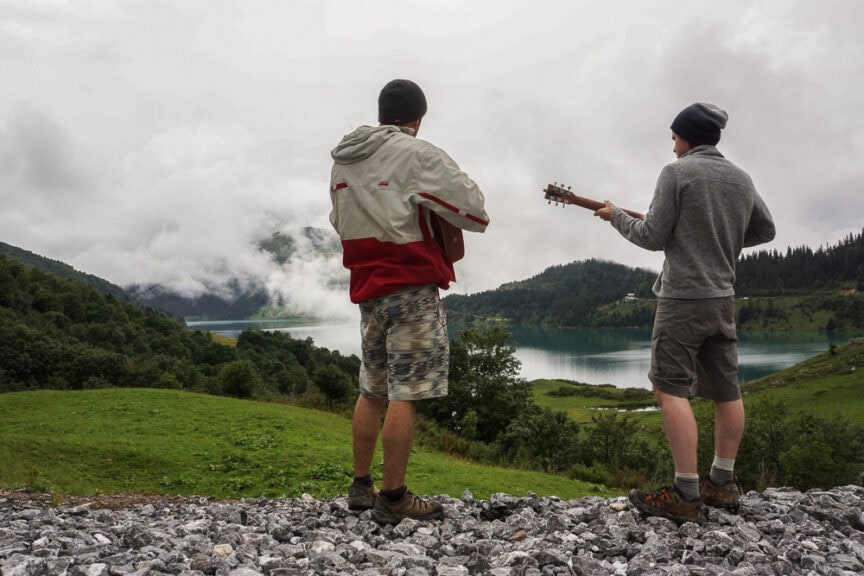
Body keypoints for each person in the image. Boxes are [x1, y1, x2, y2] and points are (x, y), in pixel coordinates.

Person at [593, 102, 775, 524]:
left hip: (682, 301)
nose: (672, 146)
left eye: (674, 137)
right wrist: (720, 234)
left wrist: (614, 216)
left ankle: (685, 492)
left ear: (687, 137)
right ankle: (722, 482)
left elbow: (653, 235)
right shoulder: (740, 177)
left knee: (669, 388)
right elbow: (766, 229)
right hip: (723, 299)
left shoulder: (676, 172)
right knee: (727, 390)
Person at [329, 79, 490, 524]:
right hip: (412, 287)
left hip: (368, 289)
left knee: (371, 388)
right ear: (417, 119)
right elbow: (475, 211)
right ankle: (395, 497)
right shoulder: (418, 153)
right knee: (407, 392)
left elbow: (337, 220)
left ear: (382, 114)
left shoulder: (342, 161)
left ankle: (361, 486)